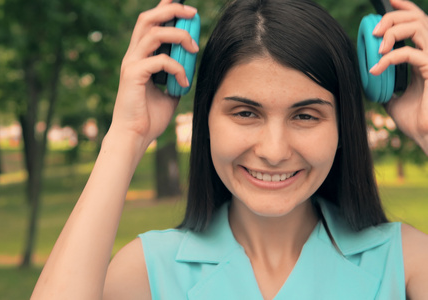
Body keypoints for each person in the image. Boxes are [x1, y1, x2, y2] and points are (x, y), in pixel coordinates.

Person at [31, 0, 428, 298]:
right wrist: (127, 135)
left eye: (306, 116)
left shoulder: (404, 260)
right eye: (245, 113)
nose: (274, 151)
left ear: (344, 127)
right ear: (206, 118)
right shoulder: (149, 271)